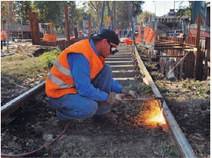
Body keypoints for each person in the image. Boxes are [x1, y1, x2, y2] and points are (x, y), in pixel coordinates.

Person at [45, 29, 128, 122]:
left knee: (106, 70)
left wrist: (122, 89)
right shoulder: (81, 56)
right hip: (60, 93)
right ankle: (63, 115)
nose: (113, 53)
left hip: (75, 88)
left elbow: (102, 79)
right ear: (104, 42)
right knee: (90, 107)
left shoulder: (95, 53)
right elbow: (84, 89)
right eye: (113, 49)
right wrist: (108, 97)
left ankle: (101, 112)